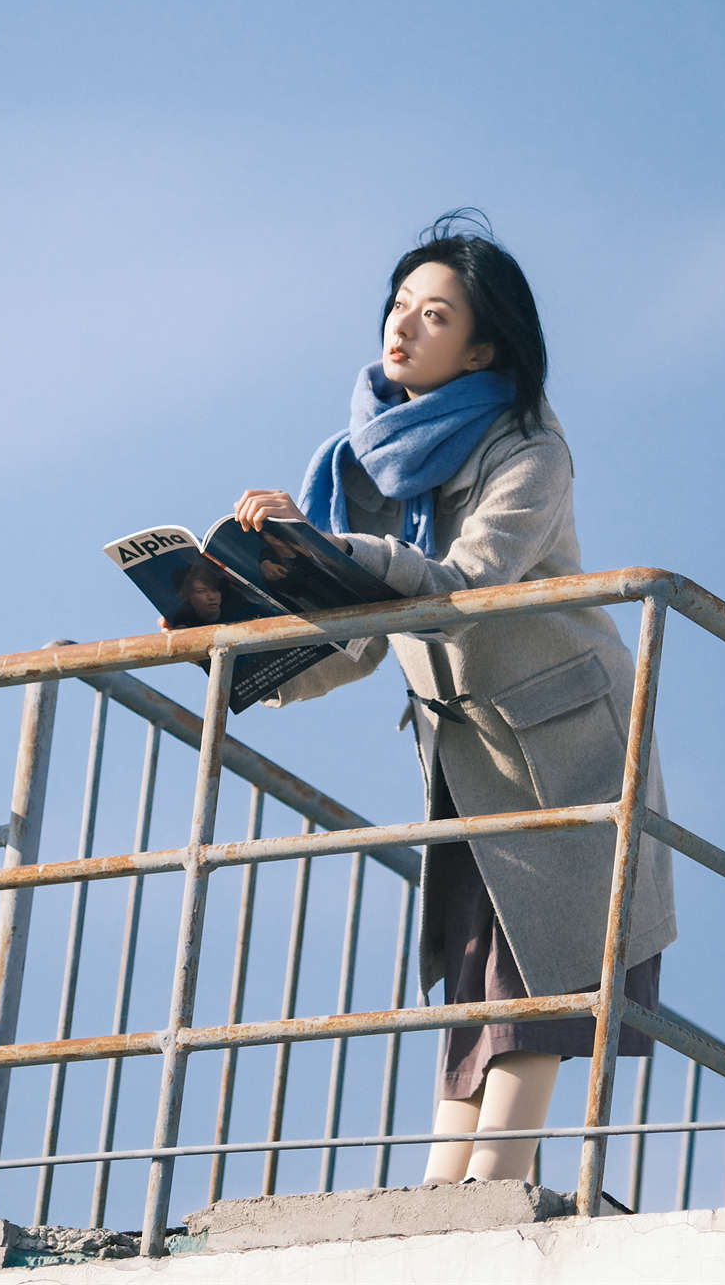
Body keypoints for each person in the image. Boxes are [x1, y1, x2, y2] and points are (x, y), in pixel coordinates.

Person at [233, 210, 675, 1186]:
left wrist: (330, 550)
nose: (402, 325)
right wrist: (225, 649)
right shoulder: (363, 465)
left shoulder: (530, 451)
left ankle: (495, 1182)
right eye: (400, 304)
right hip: (469, 754)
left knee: (536, 971)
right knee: (475, 963)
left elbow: (462, 588)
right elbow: (356, 639)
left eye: (435, 315)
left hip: (564, 745)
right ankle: (444, 1187)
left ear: (482, 348)